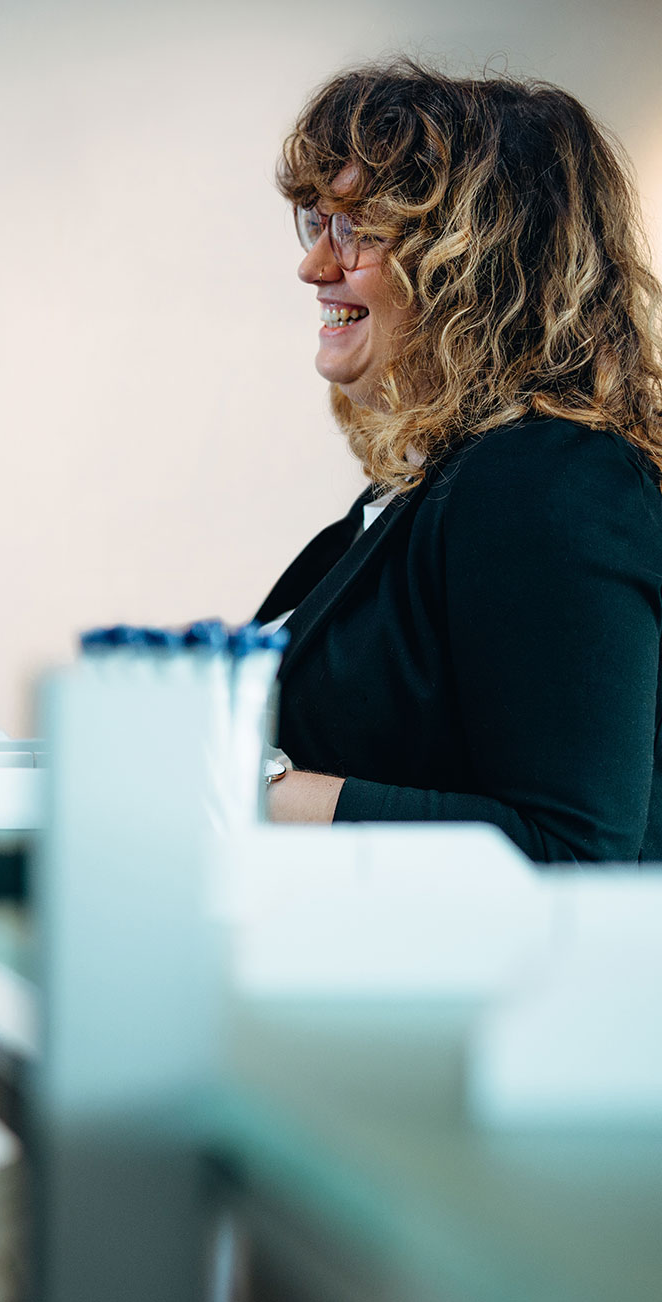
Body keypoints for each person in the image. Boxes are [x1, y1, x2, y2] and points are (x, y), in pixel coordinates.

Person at [259, 61, 662, 862]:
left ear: (473, 264)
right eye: (318, 222)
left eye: (361, 229)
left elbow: (569, 850)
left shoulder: (553, 479)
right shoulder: (429, 485)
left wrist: (256, 794)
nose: (315, 267)